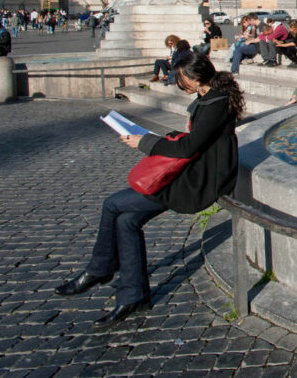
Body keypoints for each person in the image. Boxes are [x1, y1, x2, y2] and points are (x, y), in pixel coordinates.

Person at [55, 51, 242, 327]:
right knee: (127, 221)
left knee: (113, 204)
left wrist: (144, 141)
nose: (178, 83)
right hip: (192, 171)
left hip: (197, 180)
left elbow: (189, 147)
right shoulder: (209, 94)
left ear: (195, 76)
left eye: (180, 78)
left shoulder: (215, 102)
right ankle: (133, 296)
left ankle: (100, 269)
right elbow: (194, 140)